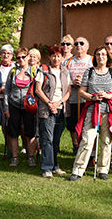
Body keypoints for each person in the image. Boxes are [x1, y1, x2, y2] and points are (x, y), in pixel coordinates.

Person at [68, 46, 112, 181]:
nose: (101, 57)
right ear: (95, 57)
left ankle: (103, 169)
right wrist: (93, 97)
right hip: (92, 110)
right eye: (98, 54)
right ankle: (78, 170)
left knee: (106, 141)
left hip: (108, 112)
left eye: (104, 54)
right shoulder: (89, 72)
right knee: (87, 140)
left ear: (107, 57)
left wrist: (107, 96)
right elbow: (82, 92)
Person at [34, 46, 71, 178]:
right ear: (49, 57)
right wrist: (50, 103)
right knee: (47, 139)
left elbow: (68, 92)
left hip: (60, 109)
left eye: (59, 56)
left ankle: (55, 166)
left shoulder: (65, 72)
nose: (56, 58)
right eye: (53, 56)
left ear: (62, 57)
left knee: (56, 139)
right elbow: (38, 90)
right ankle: (46, 168)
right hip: (46, 109)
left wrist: (59, 102)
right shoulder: (43, 71)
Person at [3, 48, 34, 168]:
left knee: (30, 132)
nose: (21, 59)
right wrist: (6, 107)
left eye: (23, 57)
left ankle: (30, 157)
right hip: (14, 105)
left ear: (28, 57)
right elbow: (7, 90)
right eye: (18, 57)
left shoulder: (34, 71)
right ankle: (15, 158)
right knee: (13, 132)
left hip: (29, 106)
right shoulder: (13, 71)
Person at [64, 37, 93, 155]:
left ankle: (87, 147)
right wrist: (72, 82)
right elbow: (63, 78)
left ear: (87, 46)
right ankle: (75, 145)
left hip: (87, 99)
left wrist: (84, 83)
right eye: (76, 44)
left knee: (87, 124)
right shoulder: (68, 61)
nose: (78, 45)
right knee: (74, 124)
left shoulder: (91, 60)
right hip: (73, 98)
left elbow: (98, 76)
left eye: (82, 43)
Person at [21, 48, 43, 167]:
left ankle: (41, 151)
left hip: (41, 103)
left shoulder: (43, 70)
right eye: (30, 56)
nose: (32, 59)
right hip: (28, 104)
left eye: (35, 57)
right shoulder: (23, 70)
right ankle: (31, 155)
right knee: (29, 130)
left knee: (41, 129)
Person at [0, 44, 16, 159]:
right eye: (4, 53)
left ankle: (24, 148)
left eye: (8, 53)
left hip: (13, 99)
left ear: (12, 55)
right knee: (5, 126)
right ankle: (9, 149)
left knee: (18, 125)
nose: (6, 55)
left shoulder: (16, 67)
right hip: (0, 98)